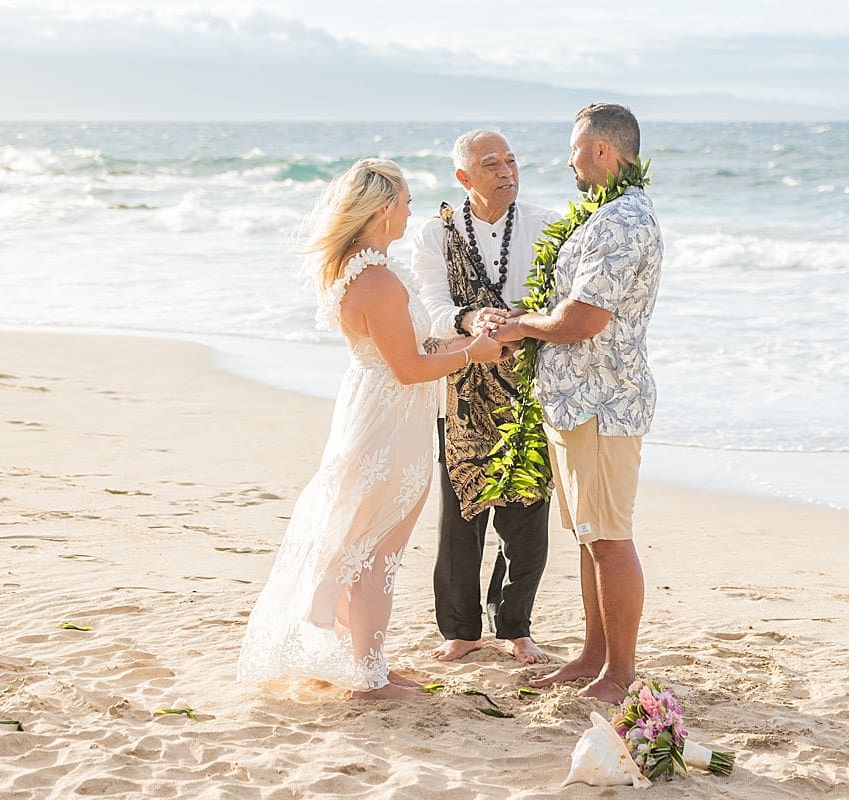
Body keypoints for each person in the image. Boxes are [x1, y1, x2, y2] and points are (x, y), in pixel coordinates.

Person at [237, 158, 502, 702]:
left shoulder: (368, 267)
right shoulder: (376, 279)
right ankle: (369, 676)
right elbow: (407, 368)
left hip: (384, 412)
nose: (410, 213)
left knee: (370, 546)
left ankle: (370, 663)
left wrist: (466, 339)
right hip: (388, 421)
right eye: (405, 203)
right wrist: (474, 354)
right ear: (384, 210)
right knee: (376, 551)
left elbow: (411, 351)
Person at [492, 104, 663, 703]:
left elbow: (581, 319)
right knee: (591, 535)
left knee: (610, 538)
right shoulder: (604, 215)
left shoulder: (623, 221)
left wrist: (519, 328)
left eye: (574, 149)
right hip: (574, 401)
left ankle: (620, 673)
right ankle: (594, 656)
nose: (567, 161)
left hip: (603, 404)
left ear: (601, 152)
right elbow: (565, 310)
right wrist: (524, 320)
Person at [412, 130, 560, 664]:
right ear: (464, 177)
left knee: (527, 512)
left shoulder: (546, 225)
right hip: (461, 383)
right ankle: (460, 630)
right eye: (492, 163)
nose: (506, 171)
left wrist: (519, 321)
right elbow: (430, 303)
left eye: (512, 161)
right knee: (462, 512)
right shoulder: (437, 235)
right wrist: (470, 318)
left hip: (527, 383)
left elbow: (561, 300)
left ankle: (516, 627)